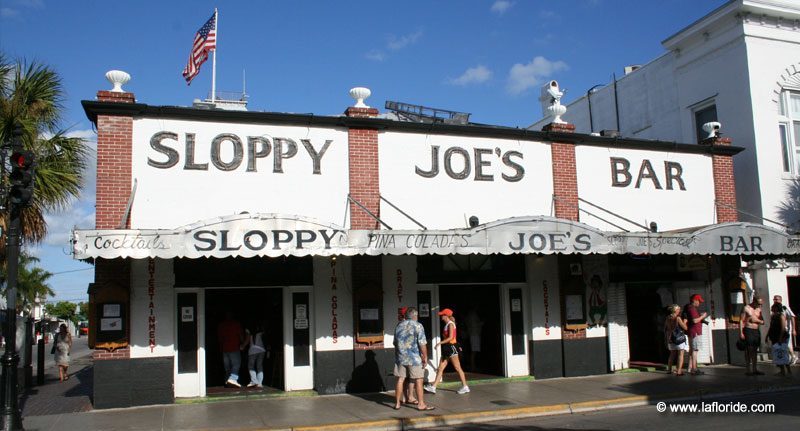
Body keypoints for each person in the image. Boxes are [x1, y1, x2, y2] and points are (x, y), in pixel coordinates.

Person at [392, 307, 434, 411]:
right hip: (414, 358)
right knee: (419, 380)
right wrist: (425, 356)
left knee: (400, 379)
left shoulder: (398, 326)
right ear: (415, 316)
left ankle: (397, 403)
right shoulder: (418, 326)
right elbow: (422, 343)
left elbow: (395, 343)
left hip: (401, 357)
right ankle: (421, 404)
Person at [425, 308, 469, 395]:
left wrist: (439, 343)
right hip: (447, 348)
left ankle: (465, 386)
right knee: (441, 368)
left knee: (457, 368)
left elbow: (451, 337)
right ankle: (433, 387)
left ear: (446, 316)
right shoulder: (447, 324)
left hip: (451, 347)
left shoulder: (450, 324)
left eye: (442, 315)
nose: (441, 316)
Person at [217, 311, 245, 388]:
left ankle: (227, 381)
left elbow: (220, 338)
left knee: (227, 367)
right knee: (236, 364)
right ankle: (233, 378)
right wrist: (243, 343)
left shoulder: (221, 325)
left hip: (224, 348)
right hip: (234, 347)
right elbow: (240, 335)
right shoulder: (236, 324)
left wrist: (221, 348)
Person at [740, 294, 765, 376]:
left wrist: (756, 320)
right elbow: (741, 321)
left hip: (756, 331)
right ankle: (748, 370)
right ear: (754, 301)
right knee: (748, 350)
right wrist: (741, 332)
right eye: (759, 303)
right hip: (748, 330)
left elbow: (762, 321)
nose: (760, 305)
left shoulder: (759, 309)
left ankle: (755, 369)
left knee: (755, 350)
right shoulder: (746, 308)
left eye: (761, 304)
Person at [683, 294, 708, 375]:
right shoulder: (692, 309)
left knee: (692, 350)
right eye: (698, 301)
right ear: (694, 300)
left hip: (692, 331)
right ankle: (694, 369)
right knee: (695, 350)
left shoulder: (688, 308)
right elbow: (694, 321)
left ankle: (689, 368)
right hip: (695, 332)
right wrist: (702, 316)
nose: (699, 303)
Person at [766, 303, 792, 376]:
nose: (771, 308)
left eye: (773, 307)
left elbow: (783, 328)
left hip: (781, 337)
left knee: (783, 353)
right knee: (778, 354)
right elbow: (771, 327)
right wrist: (767, 336)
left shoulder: (781, 316)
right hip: (774, 337)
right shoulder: (773, 316)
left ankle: (787, 370)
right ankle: (782, 370)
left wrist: (780, 338)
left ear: (776, 308)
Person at [664, 304, 688, 376]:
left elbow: (666, 328)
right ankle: (679, 371)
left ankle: (669, 370)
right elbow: (685, 328)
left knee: (672, 354)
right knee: (680, 354)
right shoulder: (678, 318)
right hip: (678, 338)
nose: (679, 310)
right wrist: (685, 322)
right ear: (675, 310)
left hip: (670, 338)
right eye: (678, 309)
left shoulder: (668, 318)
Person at [772, 295, 797, 365]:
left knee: (786, 345)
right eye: (774, 299)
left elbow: (792, 317)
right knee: (785, 345)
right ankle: (790, 358)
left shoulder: (784, 307)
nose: (775, 301)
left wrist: (793, 329)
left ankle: (793, 357)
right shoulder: (774, 308)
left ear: (780, 300)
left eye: (776, 299)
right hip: (778, 331)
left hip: (786, 330)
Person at [245, 323, 266, 388]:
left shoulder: (248, 330)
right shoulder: (261, 331)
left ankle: (254, 381)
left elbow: (247, 339)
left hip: (253, 350)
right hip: (262, 350)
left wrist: (243, 346)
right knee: (259, 366)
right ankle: (259, 383)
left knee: (251, 366)